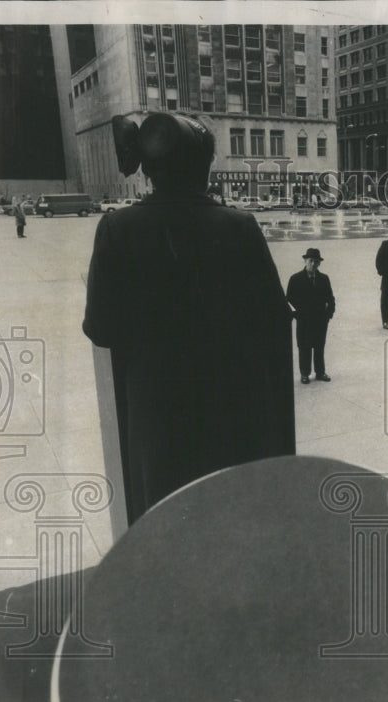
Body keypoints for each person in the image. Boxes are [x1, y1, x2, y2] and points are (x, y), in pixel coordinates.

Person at [83, 112, 296, 524]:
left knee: (169, 531)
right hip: (232, 412)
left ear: (147, 169)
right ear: (205, 166)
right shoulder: (240, 226)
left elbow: (100, 328)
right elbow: (273, 319)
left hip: (158, 417)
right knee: (230, 525)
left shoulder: (117, 228)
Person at [286, 248, 336, 384]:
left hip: (320, 320)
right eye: (311, 261)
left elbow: (330, 299)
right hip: (304, 321)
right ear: (305, 261)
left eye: (316, 262)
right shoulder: (295, 279)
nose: (313, 264)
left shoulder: (324, 279)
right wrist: (297, 315)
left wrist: (328, 315)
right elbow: (288, 300)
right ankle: (305, 373)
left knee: (319, 346)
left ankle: (320, 372)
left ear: (319, 263)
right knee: (304, 347)